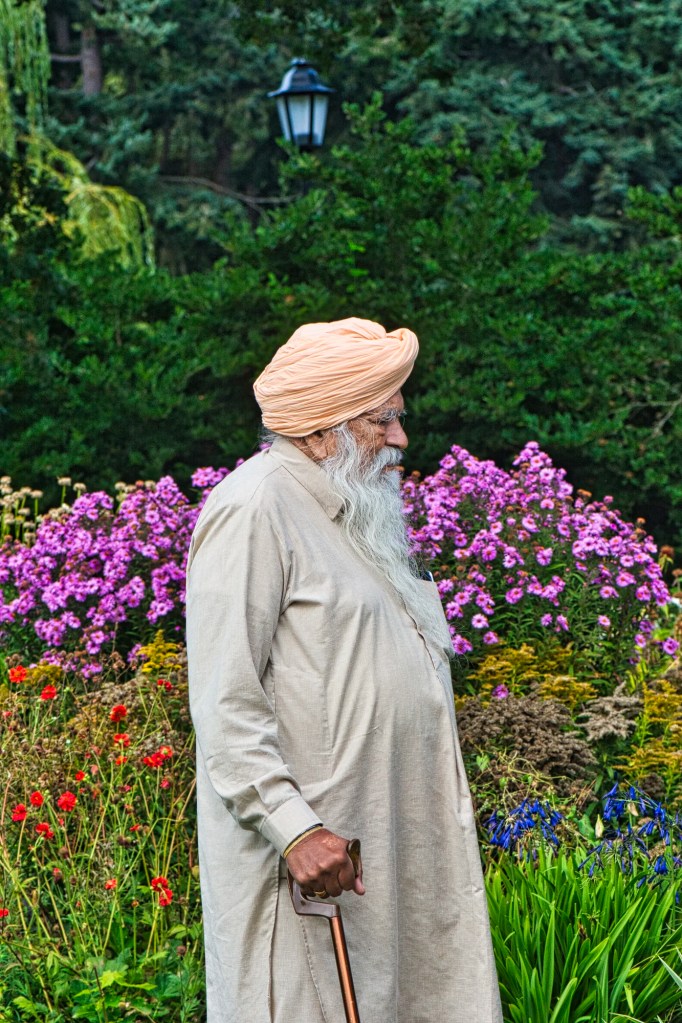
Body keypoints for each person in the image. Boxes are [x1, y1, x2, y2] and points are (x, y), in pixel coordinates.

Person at [186, 317, 503, 1023]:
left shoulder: (355, 513)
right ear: (323, 430)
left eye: (398, 417)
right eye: (382, 420)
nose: (400, 439)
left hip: (386, 848)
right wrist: (294, 826)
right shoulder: (254, 507)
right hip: (312, 865)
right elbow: (224, 698)